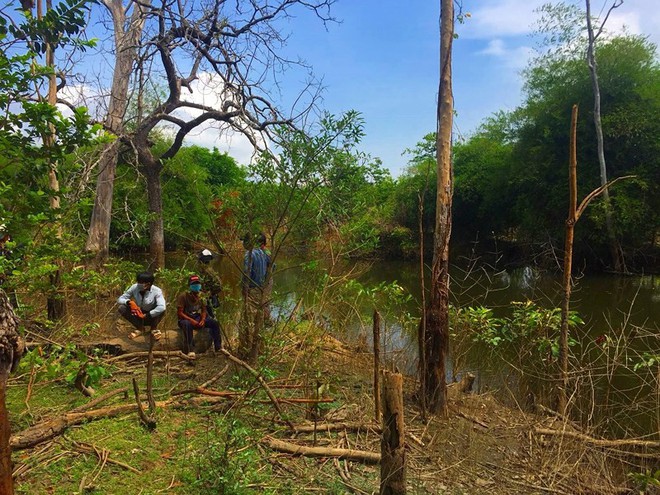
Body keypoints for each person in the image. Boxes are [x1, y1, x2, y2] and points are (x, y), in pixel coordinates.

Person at [177, 274, 221, 358]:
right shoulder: (183, 296)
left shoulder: (202, 295)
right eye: (194, 284)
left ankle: (218, 347)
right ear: (189, 286)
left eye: (197, 284)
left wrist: (203, 319)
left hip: (196, 317)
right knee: (187, 325)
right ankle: (190, 350)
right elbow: (180, 313)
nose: (196, 286)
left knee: (214, 323)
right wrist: (191, 320)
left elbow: (204, 310)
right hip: (184, 319)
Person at [117, 271, 166, 341]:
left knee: (161, 310)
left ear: (148, 284)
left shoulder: (157, 291)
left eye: (141, 282)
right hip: (138, 314)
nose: (138, 284)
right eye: (138, 282)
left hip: (151, 316)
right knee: (122, 308)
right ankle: (140, 328)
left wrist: (148, 315)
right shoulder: (134, 287)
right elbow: (120, 299)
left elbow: (162, 307)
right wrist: (129, 302)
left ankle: (153, 329)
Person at [197, 248, 222, 319]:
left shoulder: (208, 271)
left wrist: (210, 293)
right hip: (206, 300)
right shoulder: (204, 271)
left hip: (209, 300)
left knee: (211, 318)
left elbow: (219, 285)